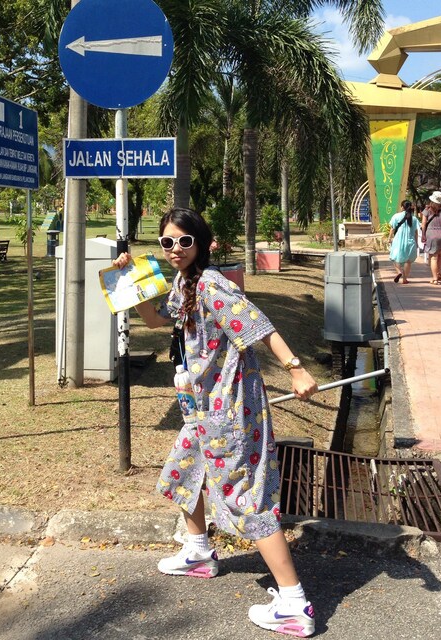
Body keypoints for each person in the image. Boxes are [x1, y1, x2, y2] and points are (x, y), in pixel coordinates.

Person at [112, 207, 318, 637]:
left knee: (246, 498)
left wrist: (296, 368)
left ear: (203, 244)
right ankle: (199, 552)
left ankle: (294, 604)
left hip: (229, 408)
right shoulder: (184, 284)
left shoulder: (210, 284)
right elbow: (155, 319)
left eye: (185, 241)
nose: (175, 249)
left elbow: (258, 326)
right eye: (168, 242)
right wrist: (131, 277)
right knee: (184, 470)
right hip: (202, 407)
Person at [421, 191, 441, 284]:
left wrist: (423, 234)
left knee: (433, 257)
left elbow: (423, 223)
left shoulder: (427, 210)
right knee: (440, 255)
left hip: (431, 234)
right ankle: (438, 273)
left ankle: (435, 278)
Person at [388, 200, 420, 284]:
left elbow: (392, 228)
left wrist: (389, 238)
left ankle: (399, 271)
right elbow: (416, 232)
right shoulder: (414, 219)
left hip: (398, 240)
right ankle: (405, 279)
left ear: (402, 207)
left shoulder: (396, 216)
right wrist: (417, 243)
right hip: (410, 240)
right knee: (408, 261)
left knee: (394, 257)